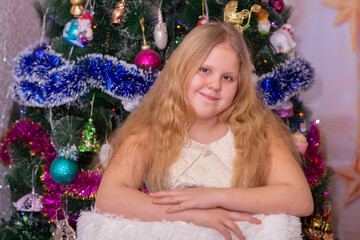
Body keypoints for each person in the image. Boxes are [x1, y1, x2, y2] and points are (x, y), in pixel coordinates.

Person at [77, 22, 313, 240]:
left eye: (228, 77)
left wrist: (212, 197)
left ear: (239, 86)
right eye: (204, 70)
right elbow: (109, 197)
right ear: (182, 70)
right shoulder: (150, 130)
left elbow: (300, 199)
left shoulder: (260, 131)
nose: (215, 85)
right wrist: (195, 214)